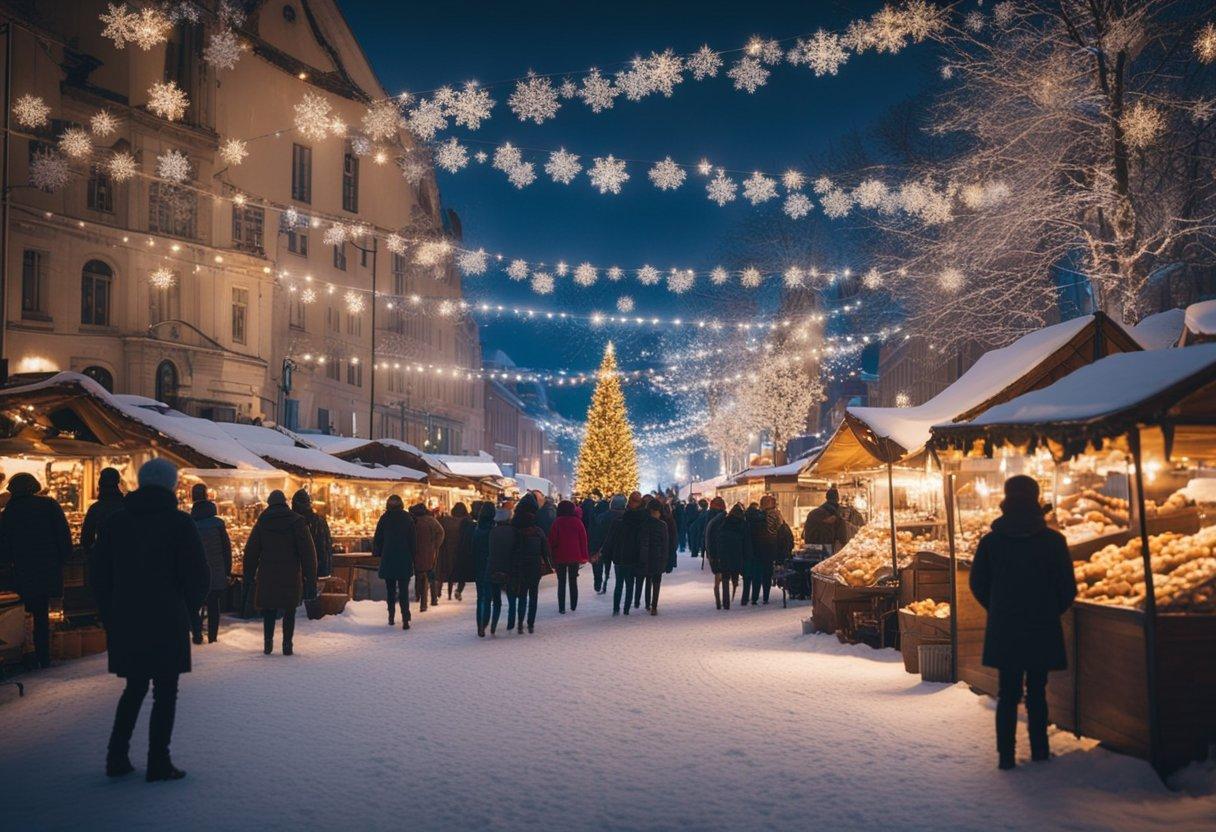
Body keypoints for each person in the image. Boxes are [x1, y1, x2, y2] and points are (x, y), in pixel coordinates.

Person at [91, 459, 209, 781]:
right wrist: (188, 610)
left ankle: (116, 757)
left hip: (127, 618)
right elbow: (198, 577)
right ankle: (159, 761)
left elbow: (99, 576)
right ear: (171, 485)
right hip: (167, 618)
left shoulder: (117, 523)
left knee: (134, 688)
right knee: (165, 691)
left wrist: (109, 614)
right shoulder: (180, 524)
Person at [970, 475, 1076, 770]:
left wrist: (998, 608)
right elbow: (1067, 587)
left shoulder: (991, 542)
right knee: (1038, 691)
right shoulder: (1054, 541)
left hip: (1006, 627)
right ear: (1035, 499)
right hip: (1042, 626)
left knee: (1007, 693)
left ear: (1006, 499)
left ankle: (1006, 756)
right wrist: (1049, 610)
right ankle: (1040, 752)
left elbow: (977, 582)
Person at [0, 472, 72, 668]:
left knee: (22, 612)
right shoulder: (49, 505)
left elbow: (3, 547)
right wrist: (65, 558)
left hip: (22, 570)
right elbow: (63, 535)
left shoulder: (8, 513)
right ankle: (43, 656)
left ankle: (24, 653)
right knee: (42, 613)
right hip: (47, 568)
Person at [243, 490, 318, 656]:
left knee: (269, 610)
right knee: (289, 610)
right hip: (290, 573)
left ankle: (268, 643)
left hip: (267, 573)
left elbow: (251, 551)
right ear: (285, 502)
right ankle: (287, 645)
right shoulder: (297, 521)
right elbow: (308, 553)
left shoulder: (262, 522)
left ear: (269, 503)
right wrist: (310, 578)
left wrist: (247, 575)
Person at [189, 483, 232, 645]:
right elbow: (226, 549)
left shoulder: (189, 523)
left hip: (196, 572)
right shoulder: (218, 524)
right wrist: (227, 571)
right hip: (216, 570)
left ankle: (197, 634)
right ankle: (213, 637)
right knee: (214, 605)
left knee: (195, 604)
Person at [510, 494, 552, 634]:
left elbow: (511, 549)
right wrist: (548, 564)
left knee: (522, 595)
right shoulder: (538, 531)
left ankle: (520, 623)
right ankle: (531, 623)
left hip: (520, 566)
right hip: (535, 567)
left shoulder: (515, 530)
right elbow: (545, 551)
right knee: (533, 595)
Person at [373, 495, 415, 629]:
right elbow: (412, 539)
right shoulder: (407, 518)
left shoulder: (385, 518)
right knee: (404, 590)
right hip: (404, 558)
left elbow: (378, 538)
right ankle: (405, 618)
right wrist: (412, 555)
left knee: (390, 590)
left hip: (389, 558)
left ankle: (391, 616)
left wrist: (378, 553)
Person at [605, 492, 646, 615]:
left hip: (619, 557)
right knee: (629, 584)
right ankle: (626, 609)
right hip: (632, 557)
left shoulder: (617, 522)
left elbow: (610, 539)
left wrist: (608, 554)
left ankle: (616, 608)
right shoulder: (638, 522)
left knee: (619, 583)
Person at [548, 499, 589, 613]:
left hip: (560, 556)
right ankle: (573, 605)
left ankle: (561, 607)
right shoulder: (577, 522)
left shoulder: (557, 522)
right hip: (574, 556)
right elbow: (583, 540)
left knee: (561, 582)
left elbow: (552, 541)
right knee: (573, 580)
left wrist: (552, 553)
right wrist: (584, 556)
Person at [487, 502, 519, 633]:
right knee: (512, 599)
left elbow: (489, 550)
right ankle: (510, 624)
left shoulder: (492, 532)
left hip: (494, 568)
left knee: (496, 600)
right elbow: (515, 551)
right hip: (509, 568)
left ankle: (494, 623)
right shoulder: (513, 532)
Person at [80, 467, 126, 556]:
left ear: (100, 484)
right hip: (124, 557)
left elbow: (86, 539)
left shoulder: (96, 508)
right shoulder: (126, 506)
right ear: (117, 483)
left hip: (102, 558)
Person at [638, 497, 671, 615]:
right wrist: (665, 558)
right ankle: (654, 606)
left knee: (648, 579)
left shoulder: (644, 523)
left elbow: (642, 541)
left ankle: (647, 603)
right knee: (657, 581)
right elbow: (665, 543)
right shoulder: (662, 525)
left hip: (646, 556)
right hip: (658, 556)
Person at [409, 503, 445, 610]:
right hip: (430, 551)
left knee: (421, 574)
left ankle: (422, 601)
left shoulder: (414, 521)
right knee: (430, 574)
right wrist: (435, 545)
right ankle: (432, 599)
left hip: (419, 551)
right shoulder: (430, 520)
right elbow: (441, 532)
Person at [291, 489, 333, 578]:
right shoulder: (320, 520)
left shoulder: (295, 523)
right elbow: (328, 545)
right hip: (322, 572)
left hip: (301, 574)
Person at [471, 502, 498, 637]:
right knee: (488, 596)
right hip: (491, 564)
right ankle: (485, 622)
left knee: (480, 597)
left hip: (478, 565)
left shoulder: (476, 528)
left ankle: (480, 625)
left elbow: (473, 548)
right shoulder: (494, 528)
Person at [717, 504, 751, 608]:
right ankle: (744, 600)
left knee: (726, 578)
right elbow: (747, 542)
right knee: (745, 577)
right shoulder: (743, 524)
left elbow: (719, 540)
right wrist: (748, 555)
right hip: (739, 555)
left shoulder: (724, 523)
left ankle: (726, 603)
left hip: (725, 555)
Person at [438, 503, 473, 601]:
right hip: (461, 549)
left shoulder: (447, 520)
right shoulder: (466, 521)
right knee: (462, 572)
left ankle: (444, 592)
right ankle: (458, 590)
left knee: (448, 571)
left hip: (448, 549)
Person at [802, 487, 849, 555]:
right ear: (837, 498)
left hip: (810, 546)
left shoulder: (814, 513)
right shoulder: (836, 514)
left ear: (826, 497)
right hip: (827, 547)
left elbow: (805, 533)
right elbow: (842, 536)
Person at [701, 498, 729, 609]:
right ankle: (726, 603)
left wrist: (708, 552)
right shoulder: (724, 518)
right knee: (725, 577)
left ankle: (718, 603)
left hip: (713, 551)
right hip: (724, 551)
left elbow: (706, 535)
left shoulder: (709, 518)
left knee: (717, 578)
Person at [589, 495, 621, 593]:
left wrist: (593, 548)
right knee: (611, 565)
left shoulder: (600, 517)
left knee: (599, 565)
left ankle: (599, 582)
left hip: (601, 543)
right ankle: (607, 581)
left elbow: (595, 532)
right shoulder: (621, 516)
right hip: (616, 545)